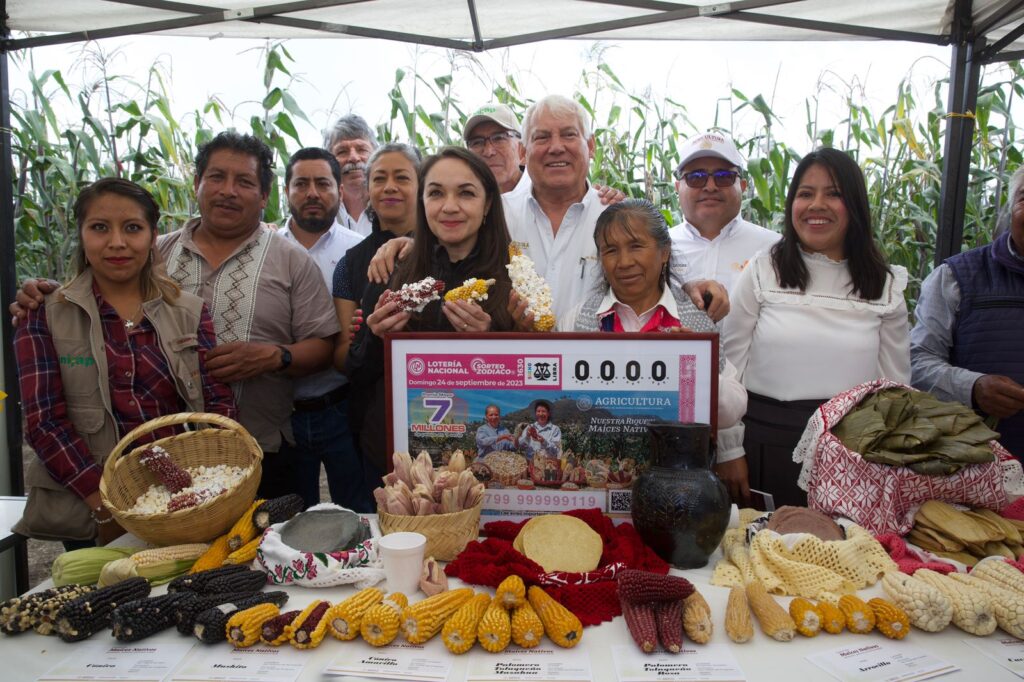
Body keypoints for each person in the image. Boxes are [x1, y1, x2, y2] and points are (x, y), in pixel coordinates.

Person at [12, 178, 236, 548]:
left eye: (132, 228)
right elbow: (44, 423)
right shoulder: (45, 316)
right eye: (100, 228)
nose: (117, 242)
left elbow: (217, 404)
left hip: (180, 499)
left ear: (152, 236)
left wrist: (211, 487)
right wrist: (105, 508)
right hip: (92, 507)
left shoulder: (189, 312)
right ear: (82, 235)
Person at [723, 147, 910, 507]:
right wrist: (729, 451)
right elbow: (728, 370)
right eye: (806, 194)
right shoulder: (763, 269)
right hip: (762, 448)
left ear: (854, 205)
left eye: (834, 194)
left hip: (851, 456)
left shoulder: (885, 286)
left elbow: (896, 393)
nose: (816, 205)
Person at [560, 199, 750, 502]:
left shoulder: (695, 322)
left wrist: (699, 369)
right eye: (611, 251)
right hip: (598, 483)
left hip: (677, 484)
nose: (624, 262)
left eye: (636, 246)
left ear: (664, 252)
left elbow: (730, 410)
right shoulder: (578, 320)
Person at [347, 146, 515, 475]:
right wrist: (375, 337)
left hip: (477, 465)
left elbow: (528, 386)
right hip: (400, 462)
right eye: (436, 193)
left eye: (466, 193)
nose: (449, 207)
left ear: (488, 205)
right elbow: (355, 372)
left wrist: (491, 341)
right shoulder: (392, 272)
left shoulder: (513, 282)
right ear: (422, 203)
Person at [278, 147, 372, 511]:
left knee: (357, 510)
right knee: (291, 517)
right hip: (283, 411)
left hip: (342, 406)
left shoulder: (359, 253)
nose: (312, 193)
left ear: (340, 190)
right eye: (301, 184)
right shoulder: (267, 250)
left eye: (322, 183)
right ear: (286, 190)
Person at [911, 164, 1024, 459]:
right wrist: (973, 387)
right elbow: (915, 361)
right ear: (1011, 211)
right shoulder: (954, 277)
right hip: (980, 469)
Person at [668, 132, 779, 294]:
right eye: (696, 177)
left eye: (724, 176)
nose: (710, 187)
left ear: (742, 186)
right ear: (678, 188)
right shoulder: (658, 248)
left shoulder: (774, 250)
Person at [325, 114, 378, 236]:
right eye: (342, 151)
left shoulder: (393, 206)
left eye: (362, 150)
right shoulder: (321, 210)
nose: (354, 158)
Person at [463, 103, 526, 195]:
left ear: (522, 150)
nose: (488, 152)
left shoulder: (545, 196)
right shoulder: (465, 201)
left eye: (499, 138)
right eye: (477, 142)